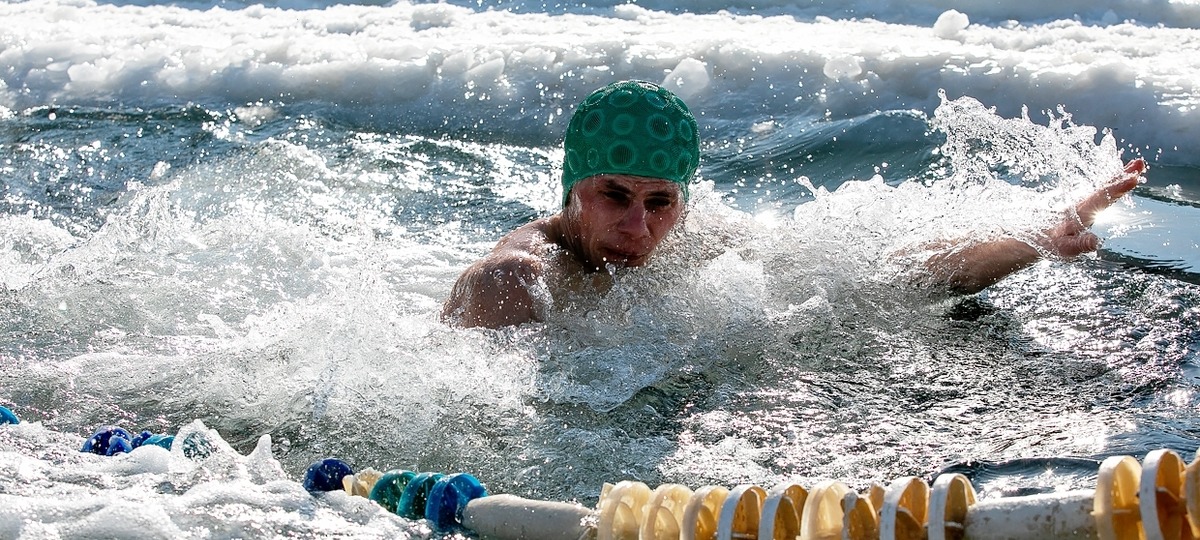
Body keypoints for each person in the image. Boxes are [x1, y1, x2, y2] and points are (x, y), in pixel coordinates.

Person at [441, 80, 1146, 329]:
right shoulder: (517, 279)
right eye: (615, 196)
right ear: (572, 190)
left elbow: (883, 276)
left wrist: (1036, 239)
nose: (639, 226)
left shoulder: (697, 241)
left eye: (660, 202)